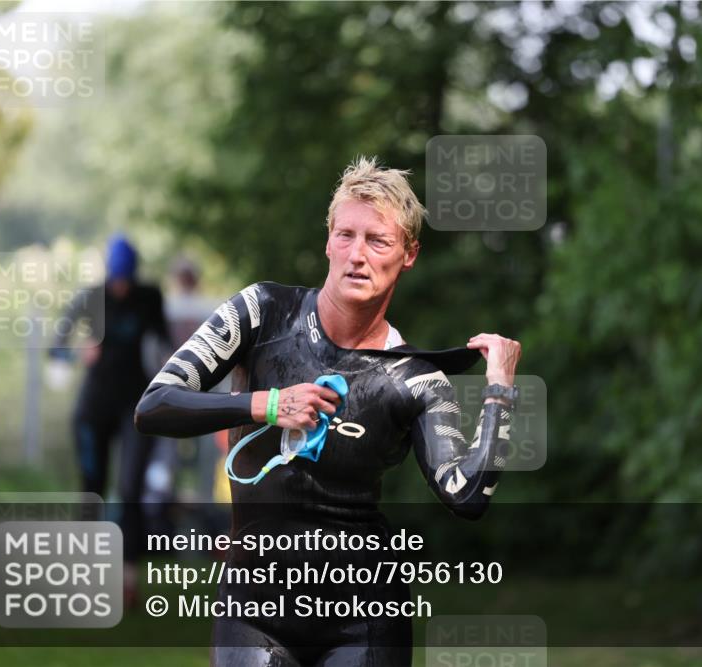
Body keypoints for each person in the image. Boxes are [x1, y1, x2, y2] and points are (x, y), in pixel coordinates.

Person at [134, 156, 522, 667]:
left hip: (364, 614)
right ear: (328, 242)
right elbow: (155, 406)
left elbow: (467, 496)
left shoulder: (416, 379)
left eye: (377, 241)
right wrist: (266, 405)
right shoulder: (261, 312)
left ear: (409, 254)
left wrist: (499, 391)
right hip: (254, 607)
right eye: (346, 235)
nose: (357, 255)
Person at [49, 233, 171, 605]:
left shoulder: (149, 297)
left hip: (135, 405)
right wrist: (78, 353)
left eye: (126, 279)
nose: (121, 286)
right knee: (92, 488)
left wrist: (171, 372)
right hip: (94, 408)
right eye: (117, 279)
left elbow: (165, 343)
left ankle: (128, 579)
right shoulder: (92, 298)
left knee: (131, 490)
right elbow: (56, 346)